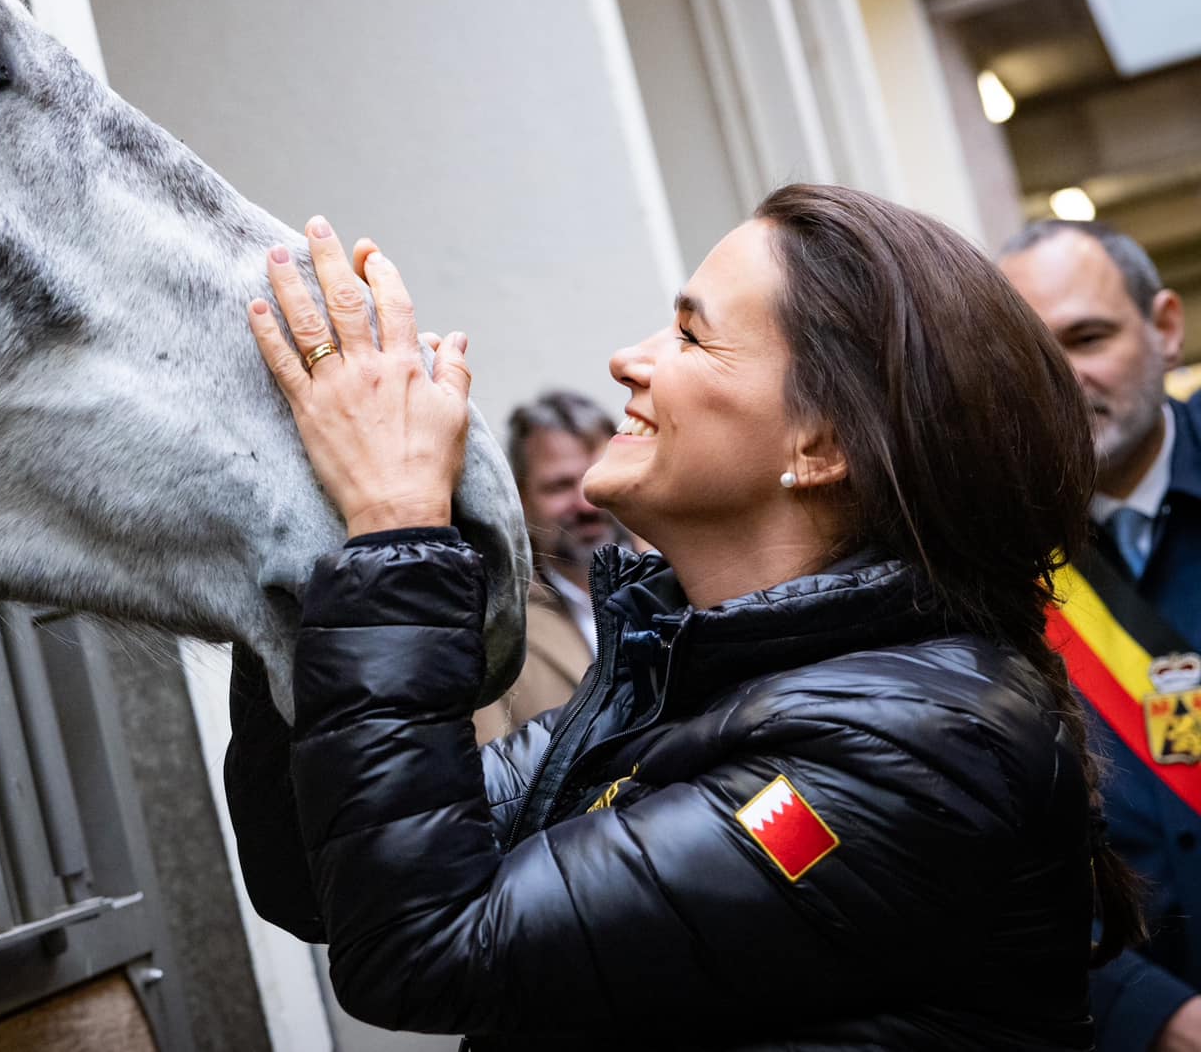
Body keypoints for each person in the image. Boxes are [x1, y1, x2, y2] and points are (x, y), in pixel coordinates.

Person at [225, 185, 1139, 1049]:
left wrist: (393, 530)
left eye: (692, 337)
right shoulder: (688, 680)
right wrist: (315, 539)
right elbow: (320, 874)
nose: (631, 359)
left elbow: (431, 947)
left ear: (819, 444)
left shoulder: (910, 746)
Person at [1000, 220, 1198, 1052]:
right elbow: (981, 854)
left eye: (1088, 338)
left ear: (1164, 327)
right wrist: (1155, 1015)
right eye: (1029, 360)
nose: (1063, 382)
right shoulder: (977, 566)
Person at [471, 391, 632, 741]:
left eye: (597, 477)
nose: (586, 503)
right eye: (560, 485)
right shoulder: (494, 620)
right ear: (520, 499)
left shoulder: (682, 580)